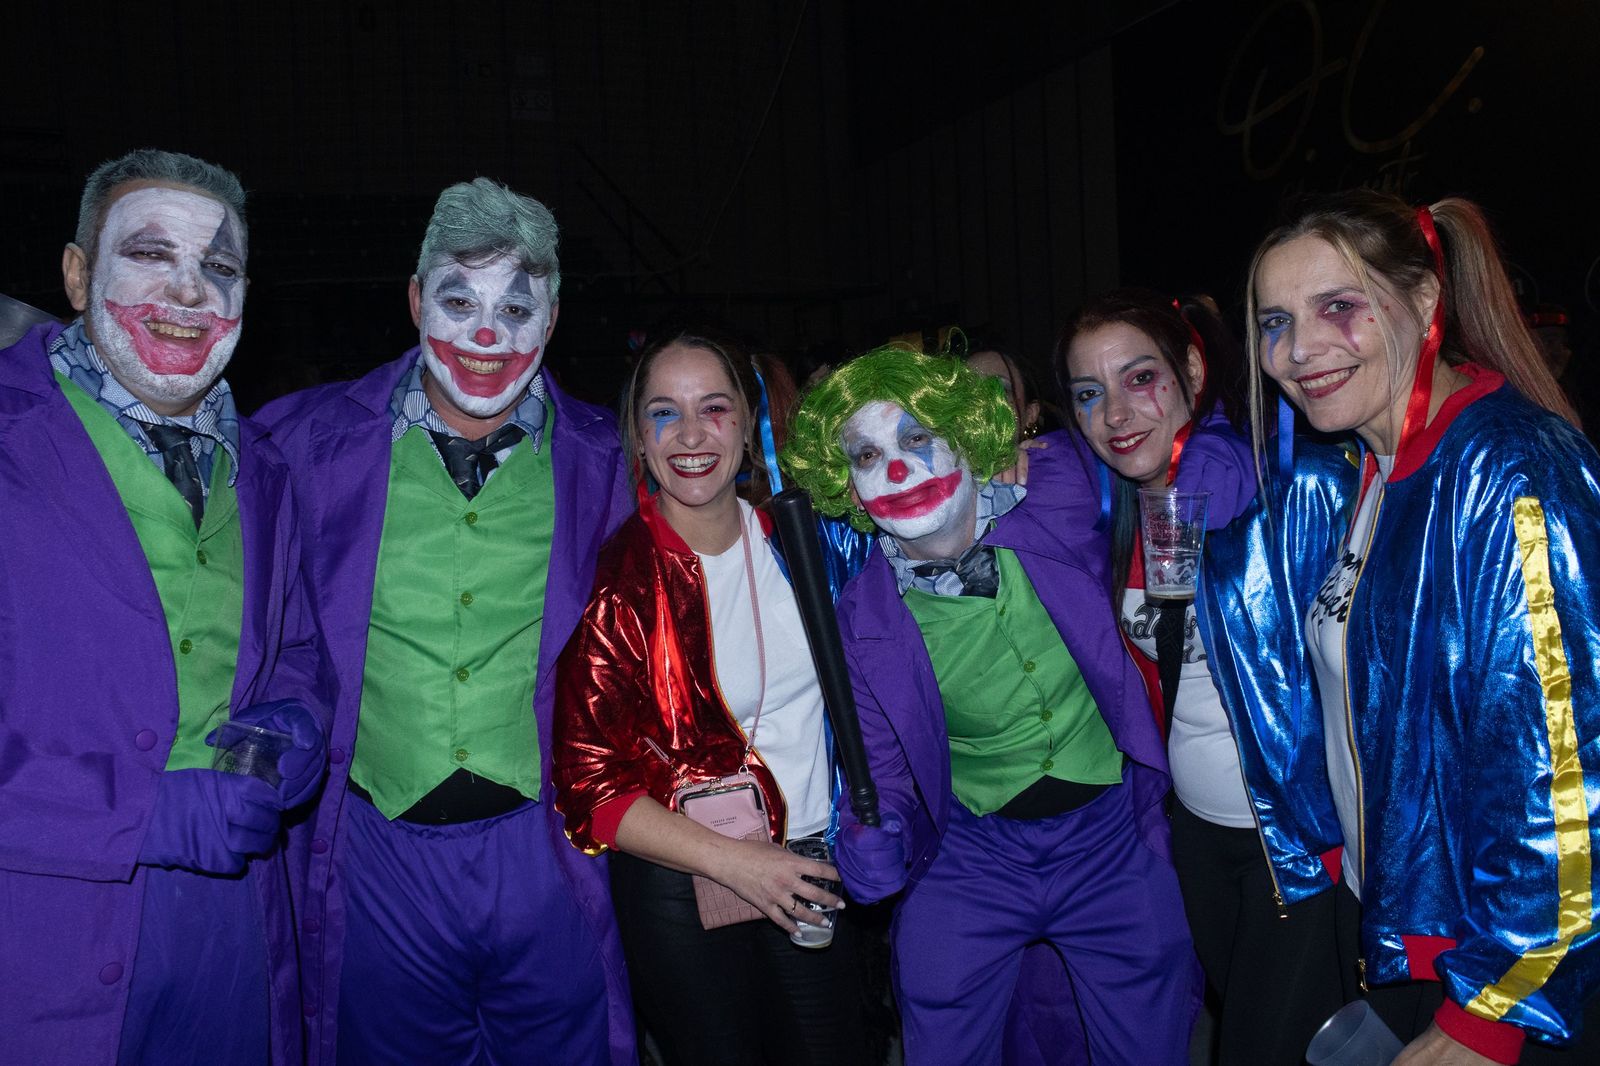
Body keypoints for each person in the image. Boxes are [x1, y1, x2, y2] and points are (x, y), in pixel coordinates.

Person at [257, 178, 634, 1065]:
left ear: (553, 318)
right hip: (377, 853)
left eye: (517, 305)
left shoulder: (608, 462)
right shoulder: (300, 444)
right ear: (418, 298)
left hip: (549, 850)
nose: (487, 335)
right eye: (459, 299)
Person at [1247, 188, 1600, 1064]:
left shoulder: (1506, 470)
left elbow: (1566, 764)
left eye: (1339, 308)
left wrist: (1493, 1009)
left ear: (1427, 303)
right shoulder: (1372, 471)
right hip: (1399, 933)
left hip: (1497, 986)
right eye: (1274, 322)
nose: (1298, 350)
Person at [0, 148, 328, 1065]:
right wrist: (142, 813)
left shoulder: (262, 467)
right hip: (37, 941)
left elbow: (295, 648)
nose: (189, 292)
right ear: (75, 274)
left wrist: (297, 722)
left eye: (218, 268)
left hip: (235, 935)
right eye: (149, 254)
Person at [782, 348, 1199, 1066]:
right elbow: (884, 774)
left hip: (1107, 837)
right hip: (974, 857)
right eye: (867, 455)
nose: (900, 470)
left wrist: (1205, 461)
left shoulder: (1062, 491)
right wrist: (870, 837)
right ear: (846, 489)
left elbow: (1173, 431)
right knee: (937, 1020)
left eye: (918, 439)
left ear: (967, 438)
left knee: (1150, 1035)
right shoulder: (862, 618)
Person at [554, 326, 868, 1066]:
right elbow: (589, 788)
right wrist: (739, 862)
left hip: (816, 867)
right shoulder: (616, 581)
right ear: (637, 433)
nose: (690, 435)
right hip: (684, 887)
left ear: (749, 426)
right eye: (665, 411)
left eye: (714, 408)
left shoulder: (813, 543)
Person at [1057, 289, 1346, 1064]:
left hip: (1291, 842)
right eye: (1089, 394)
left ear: (1192, 367)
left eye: (1140, 377)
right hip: (1194, 831)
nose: (1116, 413)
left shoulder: (1257, 484)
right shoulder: (1114, 505)